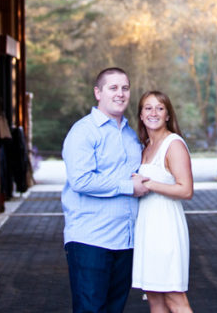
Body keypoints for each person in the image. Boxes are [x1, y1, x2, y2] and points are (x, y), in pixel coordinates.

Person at [62, 67, 150, 313]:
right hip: (91, 239)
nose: (120, 94)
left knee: (114, 309)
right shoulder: (83, 132)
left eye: (125, 88)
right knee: (91, 309)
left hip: (125, 240)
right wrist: (128, 187)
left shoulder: (131, 135)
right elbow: (81, 180)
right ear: (98, 93)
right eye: (113, 88)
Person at [131, 91, 194, 313]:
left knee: (175, 297)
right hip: (147, 228)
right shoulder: (145, 146)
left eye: (160, 108)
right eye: (148, 108)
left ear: (168, 115)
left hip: (166, 228)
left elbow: (186, 190)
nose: (153, 112)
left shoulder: (173, 144)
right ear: (140, 115)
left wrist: (147, 184)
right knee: (155, 298)